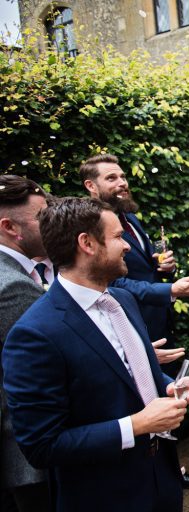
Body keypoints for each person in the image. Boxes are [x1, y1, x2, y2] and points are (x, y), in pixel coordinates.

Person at [2, 197, 189, 512]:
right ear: (87, 244)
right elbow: (41, 445)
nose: (126, 246)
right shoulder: (36, 333)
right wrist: (136, 425)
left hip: (160, 477)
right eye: (118, 237)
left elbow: (136, 372)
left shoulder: (123, 300)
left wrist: (167, 386)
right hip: (105, 494)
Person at [79, 154, 189, 488]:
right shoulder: (91, 226)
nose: (122, 182)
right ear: (91, 187)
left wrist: (162, 267)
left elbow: (136, 265)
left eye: (122, 176)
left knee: (160, 390)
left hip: (152, 318)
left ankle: (167, 471)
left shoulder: (131, 218)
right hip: (125, 319)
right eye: (111, 178)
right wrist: (169, 288)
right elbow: (115, 282)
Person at [0, 176, 50, 512]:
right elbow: (44, 373)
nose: (53, 224)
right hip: (29, 457)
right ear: (10, 227)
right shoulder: (12, 287)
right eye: (43, 217)